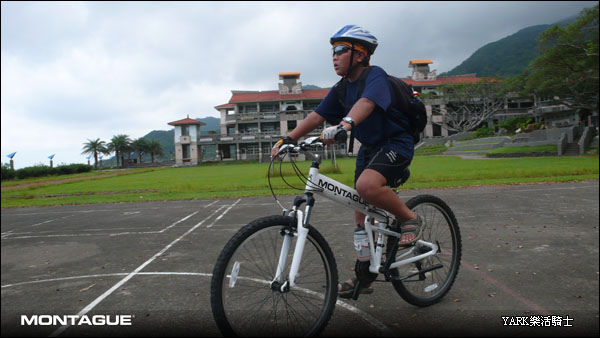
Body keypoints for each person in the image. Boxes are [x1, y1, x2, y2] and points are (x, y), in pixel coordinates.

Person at [271, 24, 423, 298]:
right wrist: (288, 138)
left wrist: (346, 124)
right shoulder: (341, 89)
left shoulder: (374, 76)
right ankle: (363, 278)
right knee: (359, 210)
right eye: (332, 51)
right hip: (370, 148)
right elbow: (317, 116)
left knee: (366, 187)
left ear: (361, 55)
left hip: (396, 143)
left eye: (341, 50)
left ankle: (409, 218)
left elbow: (367, 103)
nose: (334, 56)